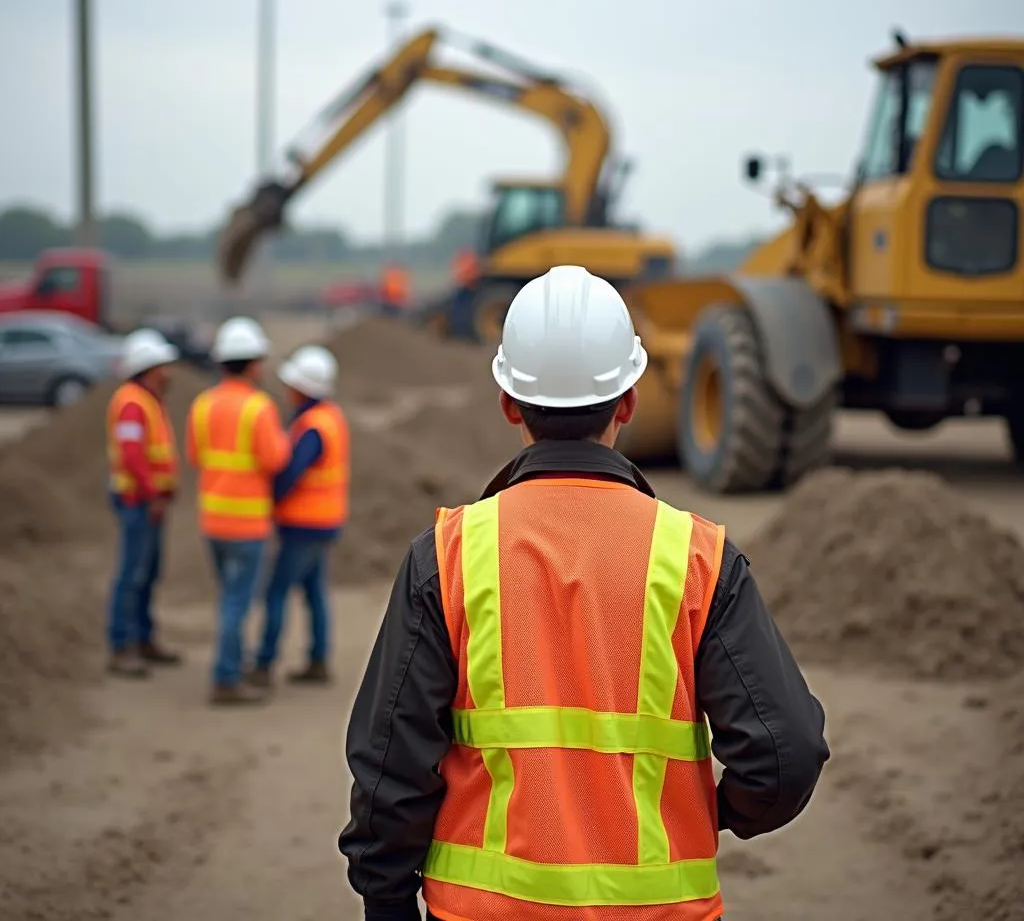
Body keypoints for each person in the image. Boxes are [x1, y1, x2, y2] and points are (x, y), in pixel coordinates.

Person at [339, 265, 830, 921]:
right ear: (628, 402)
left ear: (509, 403)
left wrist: (387, 900)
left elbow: (387, 770)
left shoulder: (449, 556)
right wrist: (712, 813)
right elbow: (784, 755)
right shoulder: (698, 560)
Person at [185, 316, 290, 706]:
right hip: (247, 523)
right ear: (251, 363)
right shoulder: (258, 408)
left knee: (229, 598)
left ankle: (231, 663)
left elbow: (195, 456)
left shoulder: (202, 404)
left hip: (212, 520)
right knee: (236, 603)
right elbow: (276, 458)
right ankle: (226, 678)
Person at [249, 345, 350, 688]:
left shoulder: (311, 426)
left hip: (303, 524)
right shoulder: (330, 416)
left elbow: (292, 471)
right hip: (323, 521)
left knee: (277, 592)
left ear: (303, 388)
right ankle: (318, 659)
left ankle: (264, 664)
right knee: (314, 591)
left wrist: (269, 497)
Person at [106, 328, 183, 678]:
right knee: (132, 574)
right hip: (138, 501)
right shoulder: (132, 403)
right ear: (148, 367)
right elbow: (132, 454)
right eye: (162, 366)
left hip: (148, 501)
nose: (167, 372)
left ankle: (142, 639)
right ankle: (122, 646)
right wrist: (153, 493)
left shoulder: (147, 401)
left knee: (146, 573)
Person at [449, 246, 480, 338]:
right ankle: (461, 331)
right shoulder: (471, 259)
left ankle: (462, 332)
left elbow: (460, 274)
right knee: (461, 310)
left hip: (467, 288)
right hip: (466, 287)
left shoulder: (464, 260)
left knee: (462, 310)